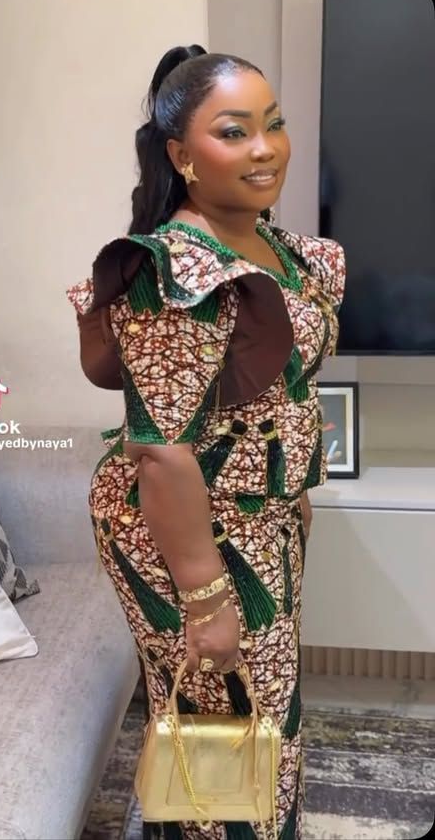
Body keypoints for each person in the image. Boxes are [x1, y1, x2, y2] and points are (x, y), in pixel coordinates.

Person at [66, 44, 346, 840]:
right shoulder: (175, 274)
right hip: (189, 529)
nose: (265, 148)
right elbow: (161, 448)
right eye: (234, 131)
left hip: (258, 517)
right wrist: (205, 597)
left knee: (266, 708)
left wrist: (291, 493)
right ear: (182, 156)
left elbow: (280, 390)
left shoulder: (277, 249)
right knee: (221, 714)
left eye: (274, 124)